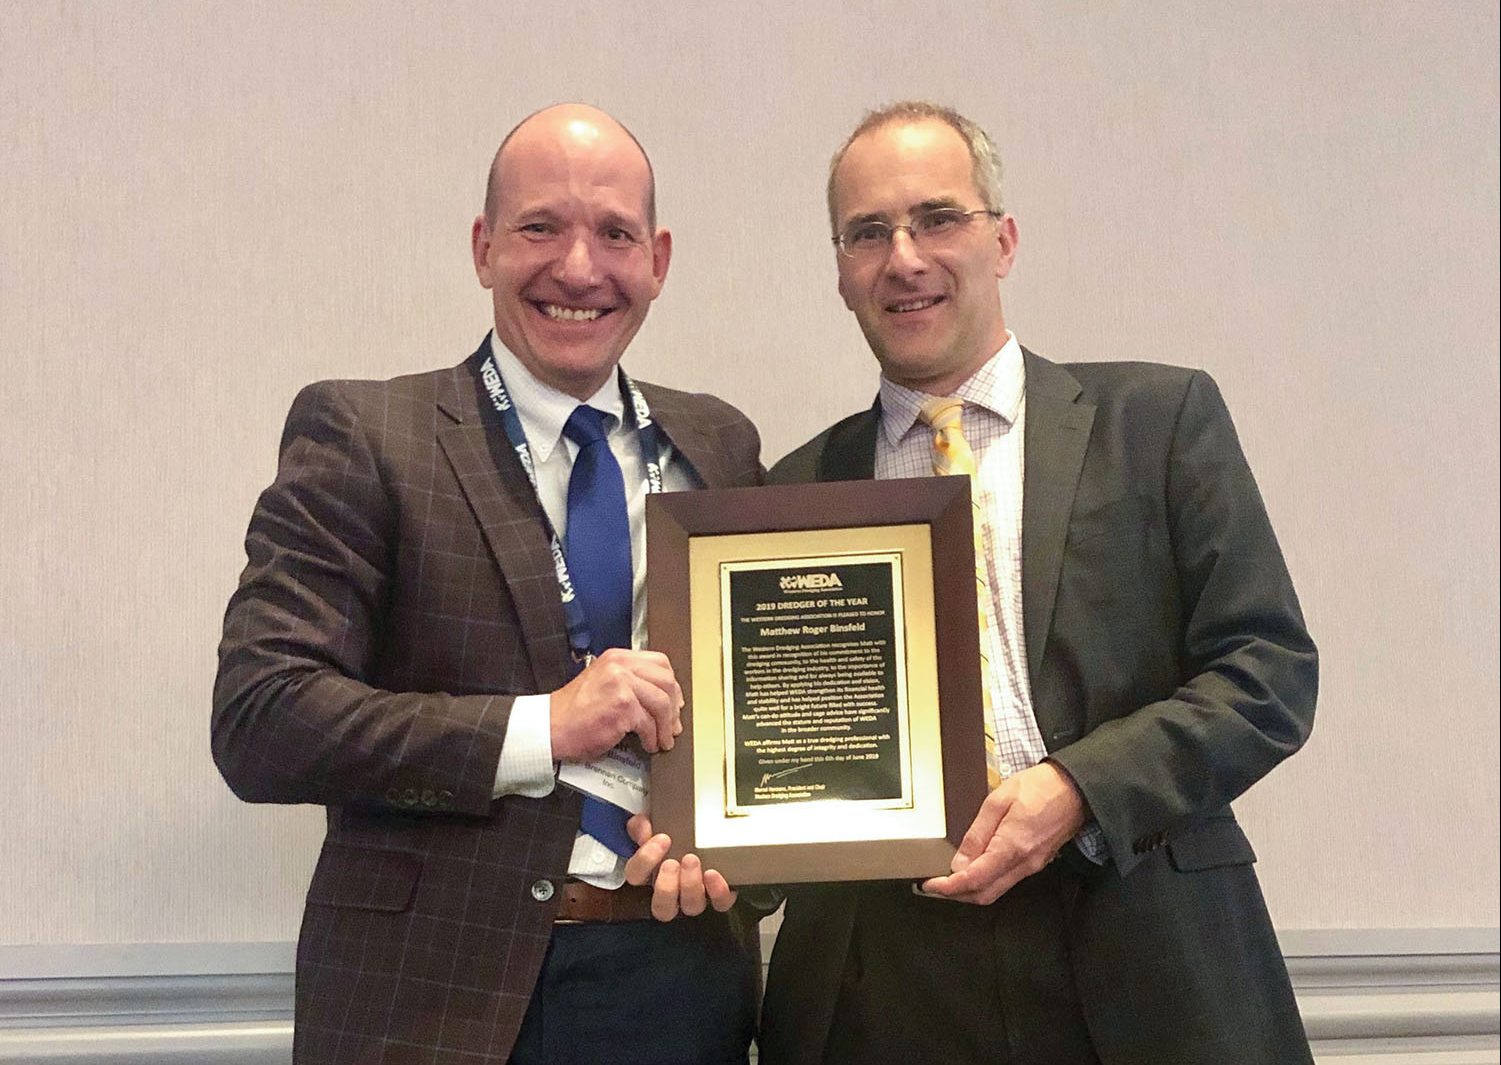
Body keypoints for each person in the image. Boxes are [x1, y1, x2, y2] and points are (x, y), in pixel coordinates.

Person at [754, 102, 1319, 1065]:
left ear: (1002, 239)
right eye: (867, 232)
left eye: (937, 218)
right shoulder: (790, 492)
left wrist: (1075, 788)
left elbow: (1266, 673)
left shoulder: (1159, 418)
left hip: (1140, 936)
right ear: (840, 270)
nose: (904, 257)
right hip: (883, 976)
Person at [212, 103, 763, 1065]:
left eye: (615, 234)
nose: (580, 267)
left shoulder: (718, 443)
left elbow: (765, 711)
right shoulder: (368, 433)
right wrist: (540, 727)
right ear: (483, 247)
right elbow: (262, 718)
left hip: (678, 981)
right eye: (540, 226)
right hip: (432, 995)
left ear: (658, 260)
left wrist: (746, 860)